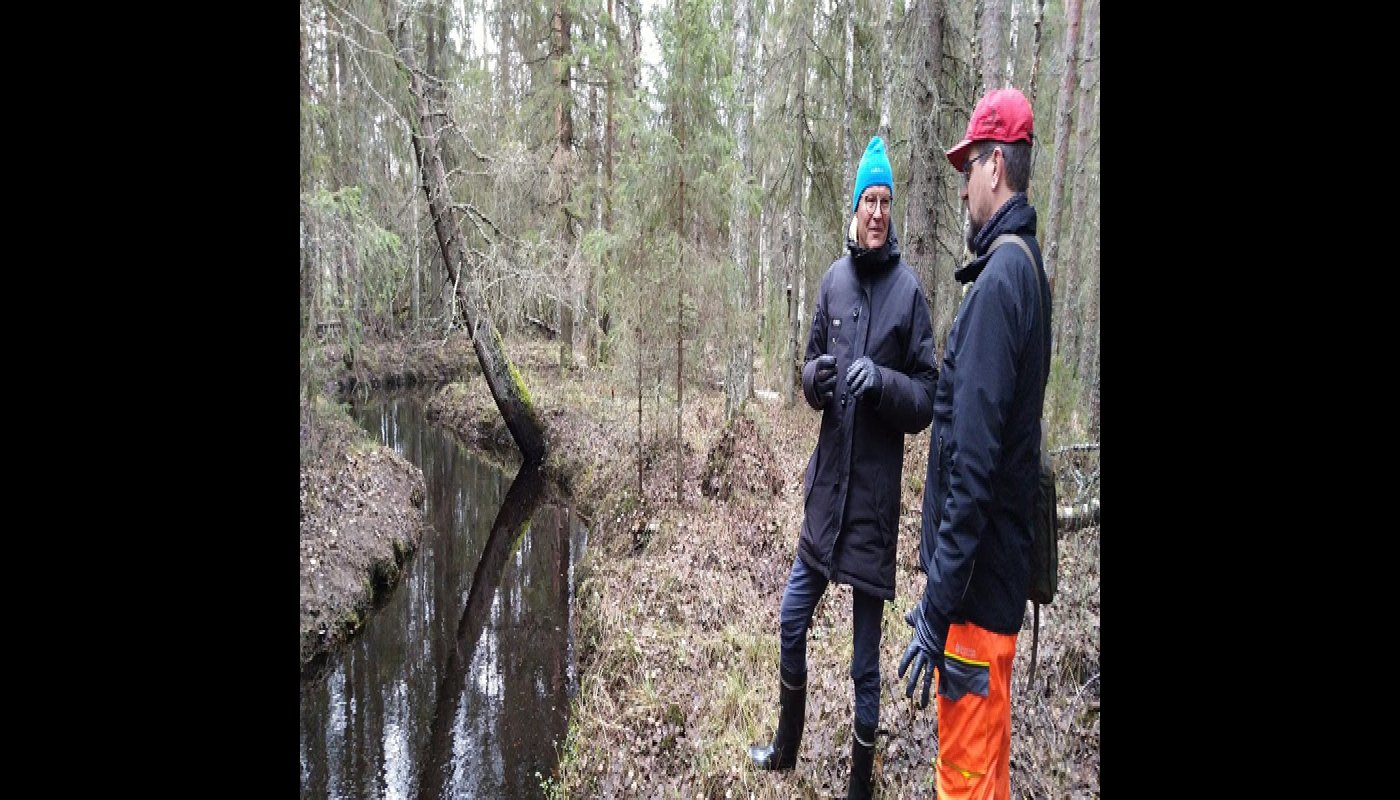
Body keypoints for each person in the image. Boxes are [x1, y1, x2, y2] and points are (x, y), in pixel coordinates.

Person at [747, 135, 937, 800]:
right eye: (869, 199)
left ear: (892, 211)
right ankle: (785, 745)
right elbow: (806, 365)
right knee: (791, 620)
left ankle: (860, 785)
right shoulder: (832, 280)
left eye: (886, 200)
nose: (878, 211)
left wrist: (882, 381)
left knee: (864, 664)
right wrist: (814, 379)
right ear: (854, 208)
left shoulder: (910, 293)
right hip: (825, 498)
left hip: (873, 508)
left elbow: (927, 398)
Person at [896, 87, 1052, 800]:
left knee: (963, 785)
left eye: (969, 168)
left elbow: (974, 468)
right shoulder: (1025, 267)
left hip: (975, 608)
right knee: (984, 779)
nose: (962, 188)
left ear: (997, 165)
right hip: (990, 594)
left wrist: (936, 610)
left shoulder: (1000, 284)